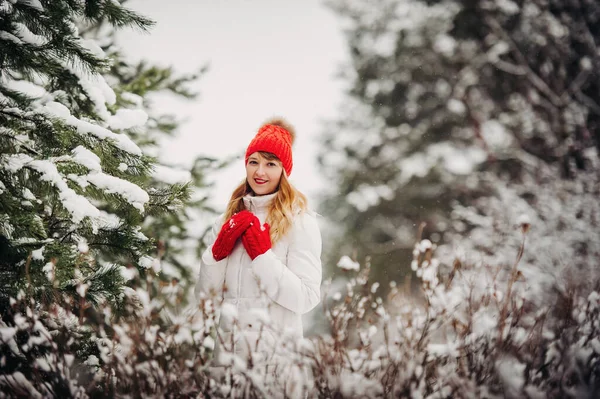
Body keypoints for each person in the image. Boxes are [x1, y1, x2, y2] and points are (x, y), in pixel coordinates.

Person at [194, 117, 322, 370]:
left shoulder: (299, 222)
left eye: (270, 164)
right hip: (227, 363)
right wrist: (217, 253)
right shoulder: (226, 221)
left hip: (275, 365)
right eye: (253, 162)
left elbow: (306, 298)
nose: (259, 172)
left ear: (284, 170)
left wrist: (263, 257)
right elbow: (205, 301)